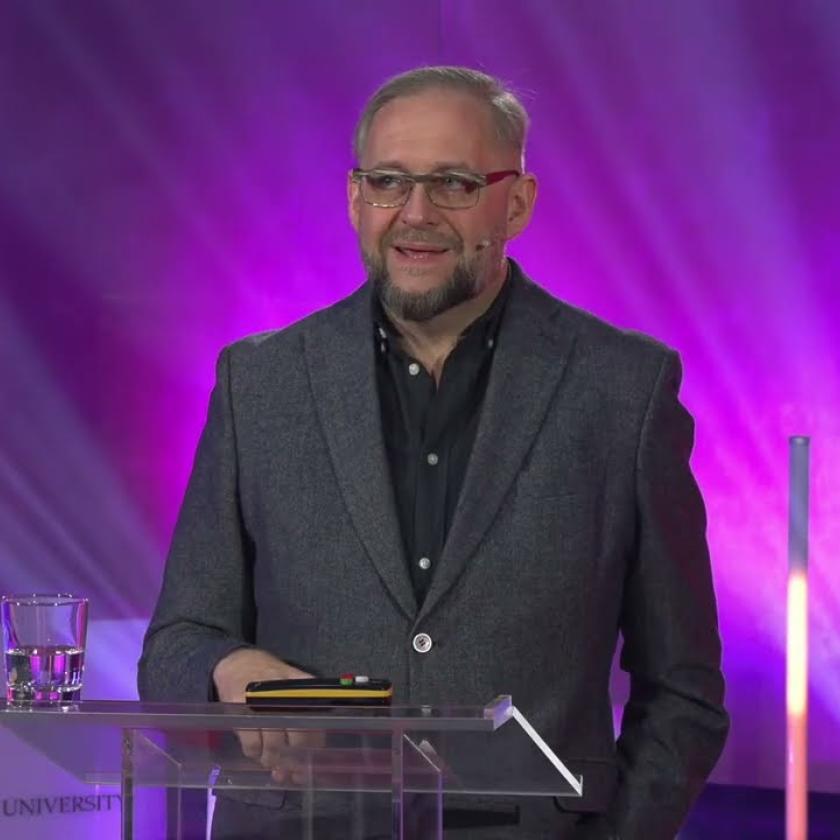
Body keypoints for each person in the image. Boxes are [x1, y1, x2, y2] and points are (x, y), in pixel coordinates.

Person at [138, 66, 729, 839]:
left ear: (517, 202)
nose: (415, 214)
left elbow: (683, 691)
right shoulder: (261, 384)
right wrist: (227, 668)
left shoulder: (623, 390)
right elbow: (177, 645)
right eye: (388, 181)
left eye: (453, 183)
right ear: (356, 199)